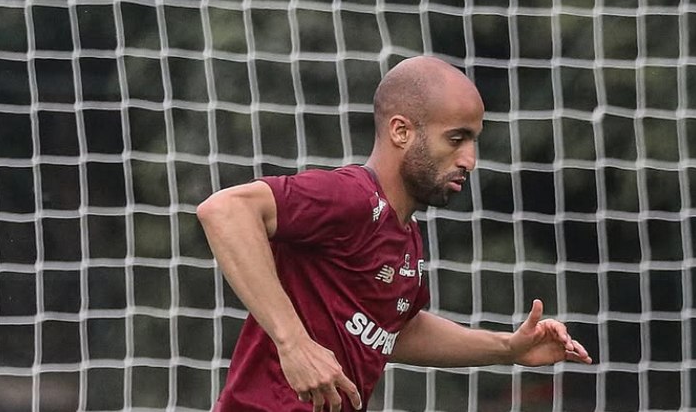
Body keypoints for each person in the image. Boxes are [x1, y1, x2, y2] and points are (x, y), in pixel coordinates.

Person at [196, 56, 592, 412]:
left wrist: (508, 348)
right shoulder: (351, 196)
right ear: (401, 131)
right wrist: (293, 343)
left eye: (474, 141)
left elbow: (396, 330)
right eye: (456, 139)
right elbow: (225, 210)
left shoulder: (404, 235)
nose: (469, 160)